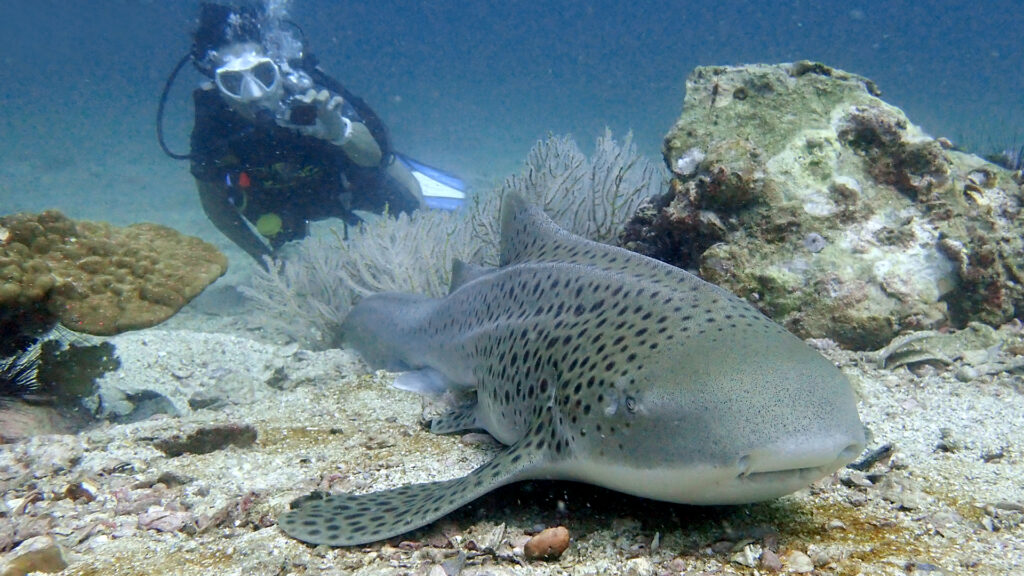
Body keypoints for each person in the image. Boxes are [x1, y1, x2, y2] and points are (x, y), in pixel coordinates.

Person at [184, 2, 425, 265]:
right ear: (216, 85)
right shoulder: (212, 126)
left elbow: (376, 157)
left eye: (263, 74)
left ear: (277, 66)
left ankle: (419, 191)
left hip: (345, 183)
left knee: (415, 215)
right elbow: (215, 206)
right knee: (293, 256)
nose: (252, 94)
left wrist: (340, 132)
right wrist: (267, 259)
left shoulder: (311, 96)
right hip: (282, 206)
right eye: (232, 82)